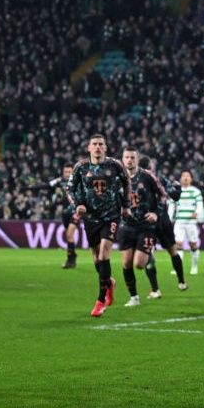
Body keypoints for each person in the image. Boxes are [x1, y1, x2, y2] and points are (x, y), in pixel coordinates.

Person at [67, 134, 131, 317]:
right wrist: (77, 205)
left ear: (105, 147)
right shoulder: (81, 167)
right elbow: (69, 188)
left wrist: (125, 206)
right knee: (97, 258)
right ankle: (109, 283)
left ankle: (100, 300)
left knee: (104, 253)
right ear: (89, 147)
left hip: (111, 215)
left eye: (100, 144)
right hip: (90, 217)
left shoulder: (115, 165)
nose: (97, 147)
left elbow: (127, 183)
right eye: (94, 144)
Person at [118, 148, 167, 307]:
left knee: (139, 264)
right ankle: (134, 297)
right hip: (126, 226)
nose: (129, 160)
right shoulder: (117, 178)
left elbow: (163, 195)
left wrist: (156, 213)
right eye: (127, 157)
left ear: (137, 159)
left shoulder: (147, 176)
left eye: (132, 157)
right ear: (123, 159)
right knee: (126, 263)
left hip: (146, 226)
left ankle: (149, 260)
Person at [140, 156, 186, 292]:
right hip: (163, 220)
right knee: (172, 251)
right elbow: (175, 195)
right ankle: (182, 282)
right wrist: (178, 187)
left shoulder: (135, 181)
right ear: (151, 167)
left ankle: (155, 290)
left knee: (148, 254)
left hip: (147, 221)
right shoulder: (159, 179)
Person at [172, 170, 204, 275]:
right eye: (183, 176)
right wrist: (169, 217)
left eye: (188, 176)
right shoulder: (176, 191)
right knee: (178, 244)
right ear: (180, 178)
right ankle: (178, 269)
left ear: (191, 178)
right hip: (179, 221)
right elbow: (172, 206)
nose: (185, 178)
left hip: (191, 222)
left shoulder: (195, 191)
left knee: (193, 244)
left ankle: (194, 267)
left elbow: (200, 204)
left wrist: (197, 212)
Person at [54, 164, 79, 269]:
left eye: (70, 172)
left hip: (75, 212)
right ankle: (73, 255)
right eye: (66, 172)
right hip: (65, 213)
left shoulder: (78, 181)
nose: (68, 174)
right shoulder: (59, 182)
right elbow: (47, 186)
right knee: (69, 237)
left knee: (69, 235)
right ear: (63, 173)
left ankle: (70, 260)